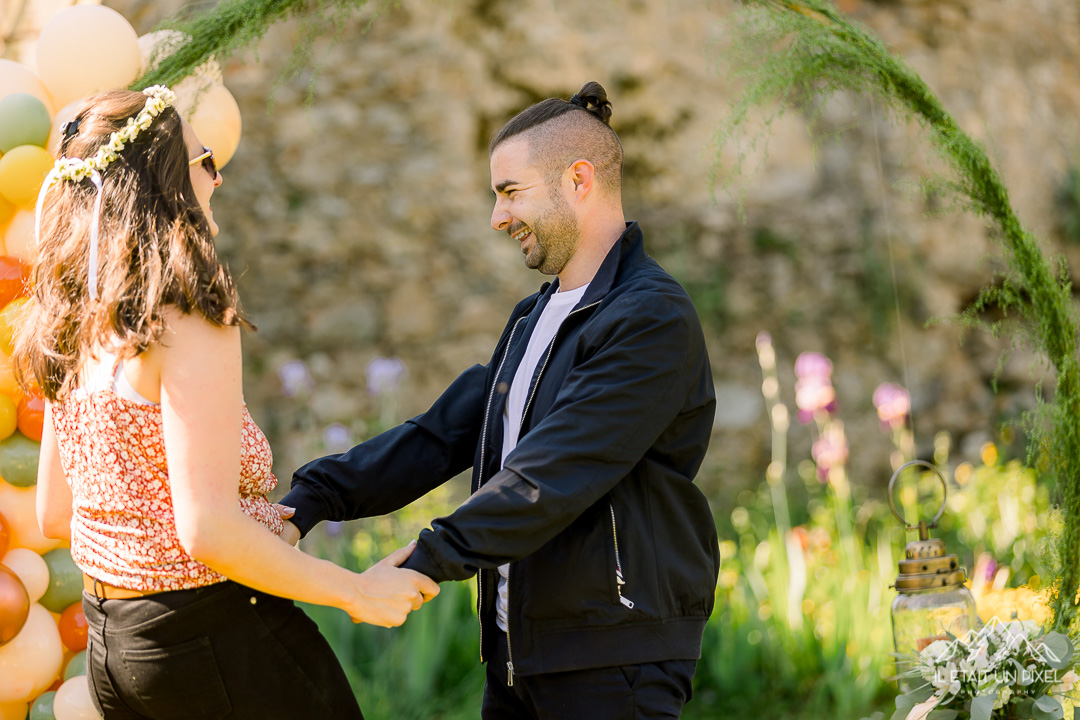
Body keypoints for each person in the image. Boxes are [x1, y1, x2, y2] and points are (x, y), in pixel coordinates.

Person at [281, 81, 719, 719]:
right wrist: (308, 500)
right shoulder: (535, 316)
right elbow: (441, 435)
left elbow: (559, 469)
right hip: (518, 661)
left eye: (510, 192)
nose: (497, 217)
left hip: (611, 661)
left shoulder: (650, 318)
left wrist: (431, 556)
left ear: (578, 180)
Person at [17, 86, 438, 720]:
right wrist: (355, 592)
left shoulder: (76, 323)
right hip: (215, 641)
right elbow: (207, 528)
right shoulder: (186, 313)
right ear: (164, 181)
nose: (218, 175)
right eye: (205, 159)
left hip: (116, 648)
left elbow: (56, 512)